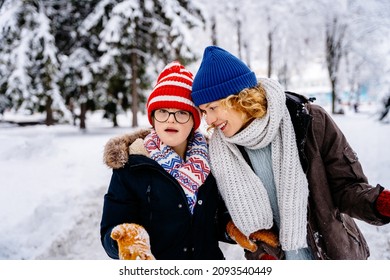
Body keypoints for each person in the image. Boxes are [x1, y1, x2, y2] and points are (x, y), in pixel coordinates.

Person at [190, 45, 390, 260]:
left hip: (332, 252)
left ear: (239, 98)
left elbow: (345, 186)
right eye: (203, 111)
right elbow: (224, 214)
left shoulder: (310, 121)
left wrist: (378, 202)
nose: (209, 120)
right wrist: (259, 253)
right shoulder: (220, 152)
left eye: (213, 108)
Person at [100, 61, 231, 260]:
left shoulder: (213, 161)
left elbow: (218, 219)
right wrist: (123, 240)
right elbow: (111, 228)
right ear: (152, 118)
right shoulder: (132, 166)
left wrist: (233, 228)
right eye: (162, 111)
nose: (170, 119)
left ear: (194, 121)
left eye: (181, 112)